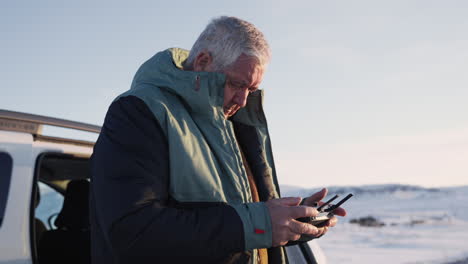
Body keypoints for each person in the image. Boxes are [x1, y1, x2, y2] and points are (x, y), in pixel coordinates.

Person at [89, 16, 346, 264]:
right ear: (202, 62)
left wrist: (293, 220)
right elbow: (134, 232)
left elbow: (246, 230)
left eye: (252, 90)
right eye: (237, 84)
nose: (243, 100)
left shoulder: (235, 124)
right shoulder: (140, 112)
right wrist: (261, 225)